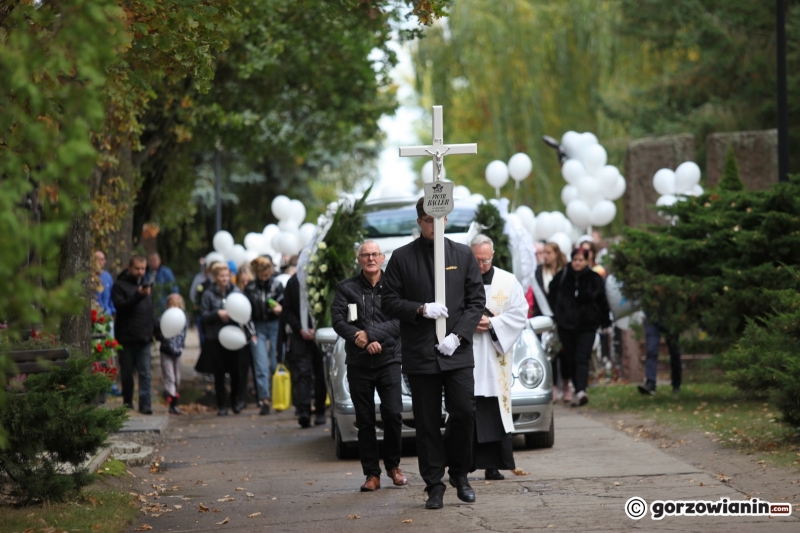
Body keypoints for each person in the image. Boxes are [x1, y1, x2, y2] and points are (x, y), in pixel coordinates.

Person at [382, 197, 485, 510]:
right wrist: (420, 309)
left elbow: (475, 301)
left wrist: (458, 336)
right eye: (428, 220)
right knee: (427, 422)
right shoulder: (401, 258)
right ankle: (434, 484)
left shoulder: (463, 254)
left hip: (456, 352)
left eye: (439, 219)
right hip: (421, 352)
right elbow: (388, 301)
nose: (434, 224)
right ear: (419, 222)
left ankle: (460, 474)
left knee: (464, 412)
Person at [331, 241, 406, 492]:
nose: (370, 258)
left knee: (393, 414)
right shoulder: (346, 288)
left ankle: (394, 466)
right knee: (364, 420)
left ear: (383, 258)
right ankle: (371, 474)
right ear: (359, 259)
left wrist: (370, 335)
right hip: (359, 363)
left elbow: (400, 320)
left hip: (389, 360)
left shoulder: (395, 286)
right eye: (365, 255)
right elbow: (338, 321)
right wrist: (359, 340)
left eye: (375, 254)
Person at [469, 235, 528, 481]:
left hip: (495, 355)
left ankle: (493, 466)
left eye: (485, 259)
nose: (481, 264)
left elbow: (520, 313)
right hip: (469, 352)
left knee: (494, 410)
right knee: (468, 409)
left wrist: (492, 323)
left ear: (492, 255)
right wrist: (470, 322)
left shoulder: (508, 280)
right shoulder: (459, 278)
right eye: (476, 260)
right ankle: (465, 465)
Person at [548, 247, 611, 407]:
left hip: (587, 325)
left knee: (582, 357)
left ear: (587, 261)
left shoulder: (594, 278)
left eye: (581, 260)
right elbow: (551, 294)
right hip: (566, 326)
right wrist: (558, 312)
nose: (577, 263)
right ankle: (577, 388)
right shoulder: (562, 276)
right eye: (575, 259)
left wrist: (604, 321)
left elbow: (603, 301)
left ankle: (581, 390)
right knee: (570, 358)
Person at [201, 263, 249, 416]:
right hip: (215, 339)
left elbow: (244, 313)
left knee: (236, 372)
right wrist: (217, 314)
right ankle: (221, 405)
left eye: (226, 275)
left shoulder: (236, 292)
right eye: (221, 276)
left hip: (233, 338)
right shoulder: (208, 294)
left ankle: (235, 402)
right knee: (219, 373)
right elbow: (203, 317)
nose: (224, 278)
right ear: (215, 277)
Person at [281, 272, 327, 428]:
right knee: (303, 373)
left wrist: (319, 328)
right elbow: (286, 310)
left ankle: (320, 410)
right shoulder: (293, 282)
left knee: (321, 373)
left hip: (320, 335)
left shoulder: (322, 278)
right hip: (299, 336)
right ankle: (304, 411)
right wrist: (299, 328)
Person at [112, 255, 155, 414]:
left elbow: (150, 309)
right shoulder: (119, 285)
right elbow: (120, 307)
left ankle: (145, 403)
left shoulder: (147, 284)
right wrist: (137, 296)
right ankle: (128, 400)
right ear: (129, 267)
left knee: (145, 372)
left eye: (143, 269)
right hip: (126, 336)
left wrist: (155, 329)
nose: (140, 272)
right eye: (137, 268)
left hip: (144, 336)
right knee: (127, 372)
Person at [244, 256, 285, 416]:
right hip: (258, 326)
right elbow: (245, 313)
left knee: (276, 363)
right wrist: (251, 332)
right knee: (260, 364)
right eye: (261, 273)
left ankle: (278, 396)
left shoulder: (277, 285)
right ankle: (264, 399)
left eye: (267, 272)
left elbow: (285, 305)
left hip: (275, 324)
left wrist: (279, 309)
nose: (264, 276)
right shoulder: (250, 288)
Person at [533, 242, 569, 402]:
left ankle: (567, 386)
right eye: (543, 253)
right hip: (545, 317)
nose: (544, 256)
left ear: (556, 253)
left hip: (564, 318)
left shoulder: (565, 271)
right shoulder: (539, 272)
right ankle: (553, 387)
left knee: (565, 354)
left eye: (548, 252)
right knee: (549, 353)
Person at [158, 294, 187, 415]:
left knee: (177, 378)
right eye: (170, 305)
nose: (172, 307)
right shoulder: (163, 319)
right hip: (166, 352)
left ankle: (175, 398)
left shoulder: (183, 320)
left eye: (175, 305)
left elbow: (183, 336)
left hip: (178, 352)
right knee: (170, 377)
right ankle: (172, 403)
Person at [638, 317, 682, 396]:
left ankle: (676, 384)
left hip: (670, 316)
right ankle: (650, 384)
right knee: (651, 350)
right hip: (652, 317)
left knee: (674, 351)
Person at [94, 250, 116, 318]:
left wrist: (113, 312)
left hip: (107, 315)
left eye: (104, 259)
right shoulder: (90, 277)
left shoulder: (107, 276)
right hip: (94, 316)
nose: (105, 262)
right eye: (102, 259)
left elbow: (112, 295)